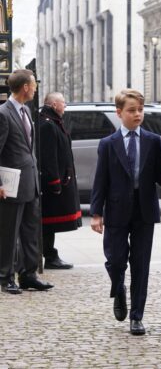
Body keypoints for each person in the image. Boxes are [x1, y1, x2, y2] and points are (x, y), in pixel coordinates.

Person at [90, 89, 161, 335]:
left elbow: (160, 175)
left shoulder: (153, 141)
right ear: (119, 113)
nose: (137, 114)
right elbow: (100, 180)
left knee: (141, 265)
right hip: (116, 209)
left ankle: (137, 317)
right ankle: (119, 287)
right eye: (132, 110)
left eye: (140, 110)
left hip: (144, 210)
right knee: (115, 260)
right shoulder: (108, 144)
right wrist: (97, 213)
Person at [0, 69, 53, 294]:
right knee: (9, 233)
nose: (35, 88)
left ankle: (28, 274)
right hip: (11, 185)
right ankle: (5, 277)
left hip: (30, 182)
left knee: (30, 231)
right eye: (33, 84)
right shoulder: (3, 113)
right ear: (25, 87)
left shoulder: (26, 110)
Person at [39, 92, 81, 270]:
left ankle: (50, 254)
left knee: (50, 222)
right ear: (55, 104)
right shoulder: (48, 124)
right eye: (63, 103)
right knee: (48, 221)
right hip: (53, 183)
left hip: (61, 179)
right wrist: (54, 181)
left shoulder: (53, 121)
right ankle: (49, 256)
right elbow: (49, 157)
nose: (65, 106)